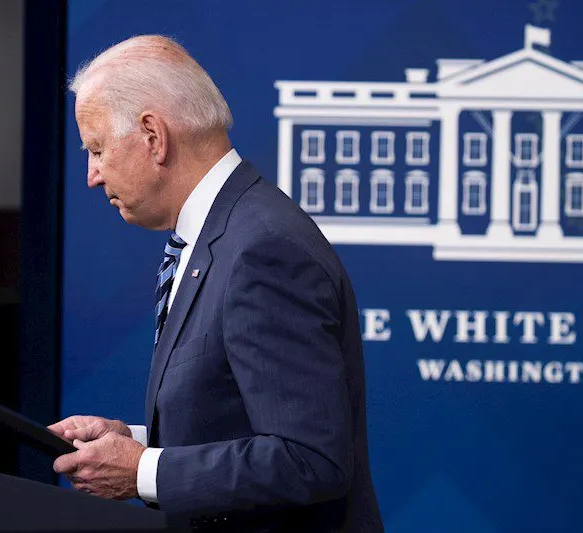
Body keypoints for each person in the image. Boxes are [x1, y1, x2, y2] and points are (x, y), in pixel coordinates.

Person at [49, 35, 384, 533]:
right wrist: (133, 445)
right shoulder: (220, 235)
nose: (92, 175)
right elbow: (236, 419)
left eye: (96, 149)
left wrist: (142, 472)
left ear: (152, 137)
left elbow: (310, 458)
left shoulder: (262, 248)